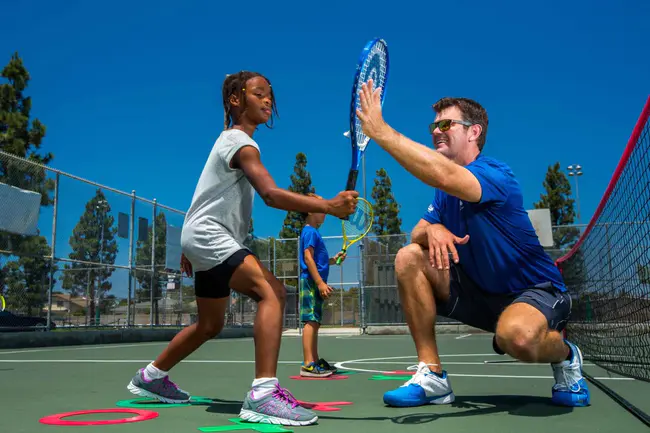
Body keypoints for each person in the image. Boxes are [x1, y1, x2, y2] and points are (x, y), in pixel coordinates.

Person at [126, 71, 359, 426]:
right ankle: (263, 395)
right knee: (273, 292)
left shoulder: (226, 142)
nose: (268, 101)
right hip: (210, 236)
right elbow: (270, 194)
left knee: (209, 324)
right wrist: (328, 205)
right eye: (259, 94)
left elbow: (203, 195)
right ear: (236, 100)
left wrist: (190, 245)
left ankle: (151, 377)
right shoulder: (240, 142)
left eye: (271, 96)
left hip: (203, 236)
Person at [354, 80, 590, 408]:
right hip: (479, 295)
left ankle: (566, 356)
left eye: (445, 124)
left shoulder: (495, 173)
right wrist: (432, 229)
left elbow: (444, 176)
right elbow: (416, 233)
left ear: (473, 132)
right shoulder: (444, 193)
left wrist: (381, 131)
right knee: (409, 257)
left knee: (517, 338)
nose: (436, 130)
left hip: (534, 291)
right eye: (434, 125)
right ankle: (432, 375)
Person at [298, 193, 346, 377]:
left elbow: (319, 260)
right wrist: (319, 282)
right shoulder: (310, 231)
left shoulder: (314, 232)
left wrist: (333, 260)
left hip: (314, 281)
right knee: (310, 321)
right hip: (310, 281)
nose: (325, 212)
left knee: (315, 321)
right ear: (310, 210)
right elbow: (308, 257)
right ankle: (308, 364)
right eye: (321, 208)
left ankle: (314, 360)